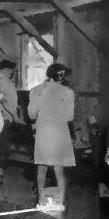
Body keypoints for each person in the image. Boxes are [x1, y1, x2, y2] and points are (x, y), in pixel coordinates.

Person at [28, 63, 75, 210]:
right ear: (61, 76)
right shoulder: (67, 91)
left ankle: (41, 202)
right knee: (59, 169)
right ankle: (59, 202)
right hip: (60, 131)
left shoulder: (37, 90)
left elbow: (31, 114)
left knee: (42, 167)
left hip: (44, 131)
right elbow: (69, 116)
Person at [0, 60, 18, 180]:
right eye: (10, 69)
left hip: (3, 116)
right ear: (4, 69)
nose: (11, 72)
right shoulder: (0, 80)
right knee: (2, 143)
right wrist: (4, 102)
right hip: (3, 116)